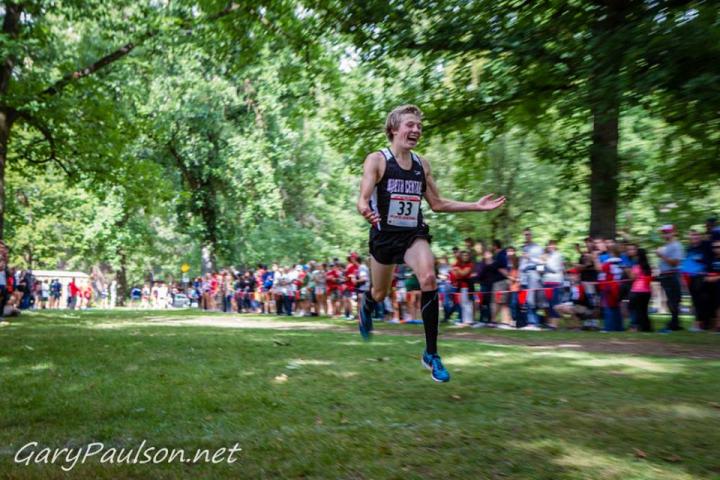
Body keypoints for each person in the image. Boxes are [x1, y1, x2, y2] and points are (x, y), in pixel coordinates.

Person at [356, 104, 505, 382]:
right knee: (379, 293)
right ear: (394, 129)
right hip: (383, 236)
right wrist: (365, 209)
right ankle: (366, 303)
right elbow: (362, 198)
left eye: (419, 127)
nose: (416, 130)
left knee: (428, 278)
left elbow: (436, 204)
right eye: (410, 125)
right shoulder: (377, 160)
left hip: (413, 234)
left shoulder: (421, 165)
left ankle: (431, 354)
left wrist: (476, 206)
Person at [656, 225, 684, 332]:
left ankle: (674, 323)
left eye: (668, 232)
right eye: (664, 232)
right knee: (671, 300)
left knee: (673, 300)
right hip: (666, 276)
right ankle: (675, 322)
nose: (665, 234)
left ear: (673, 232)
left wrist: (661, 255)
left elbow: (675, 263)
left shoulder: (676, 245)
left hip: (671, 275)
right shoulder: (666, 246)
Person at [629, 248, 653, 332]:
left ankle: (637, 327)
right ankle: (646, 327)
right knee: (644, 310)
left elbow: (632, 277)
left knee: (637, 310)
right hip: (647, 291)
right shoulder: (648, 267)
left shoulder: (636, 266)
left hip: (637, 290)